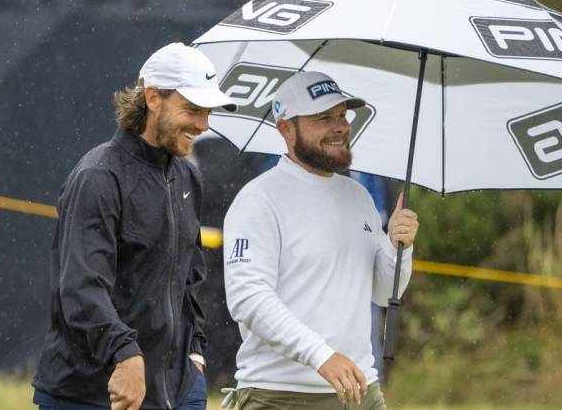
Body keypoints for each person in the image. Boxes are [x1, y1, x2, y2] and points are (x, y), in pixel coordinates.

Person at [32, 42, 237, 410]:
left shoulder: (188, 177)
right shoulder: (98, 176)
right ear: (153, 98)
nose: (204, 125)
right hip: (91, 393)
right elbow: (80, 287)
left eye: (207, 112)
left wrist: (194, 350)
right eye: (192, 109)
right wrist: (125, 353)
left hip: (175, 388)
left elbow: (190, 277)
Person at [222, 71, 419, 409]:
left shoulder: (360, 197)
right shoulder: (258, 199)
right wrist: (322, 356)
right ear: (286, 129)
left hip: (361, 391)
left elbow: (386, 293)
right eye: (323, 117)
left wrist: (399, 247)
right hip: (279, 395)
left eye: (342, 114)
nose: (340, 126)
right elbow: (248, 298)